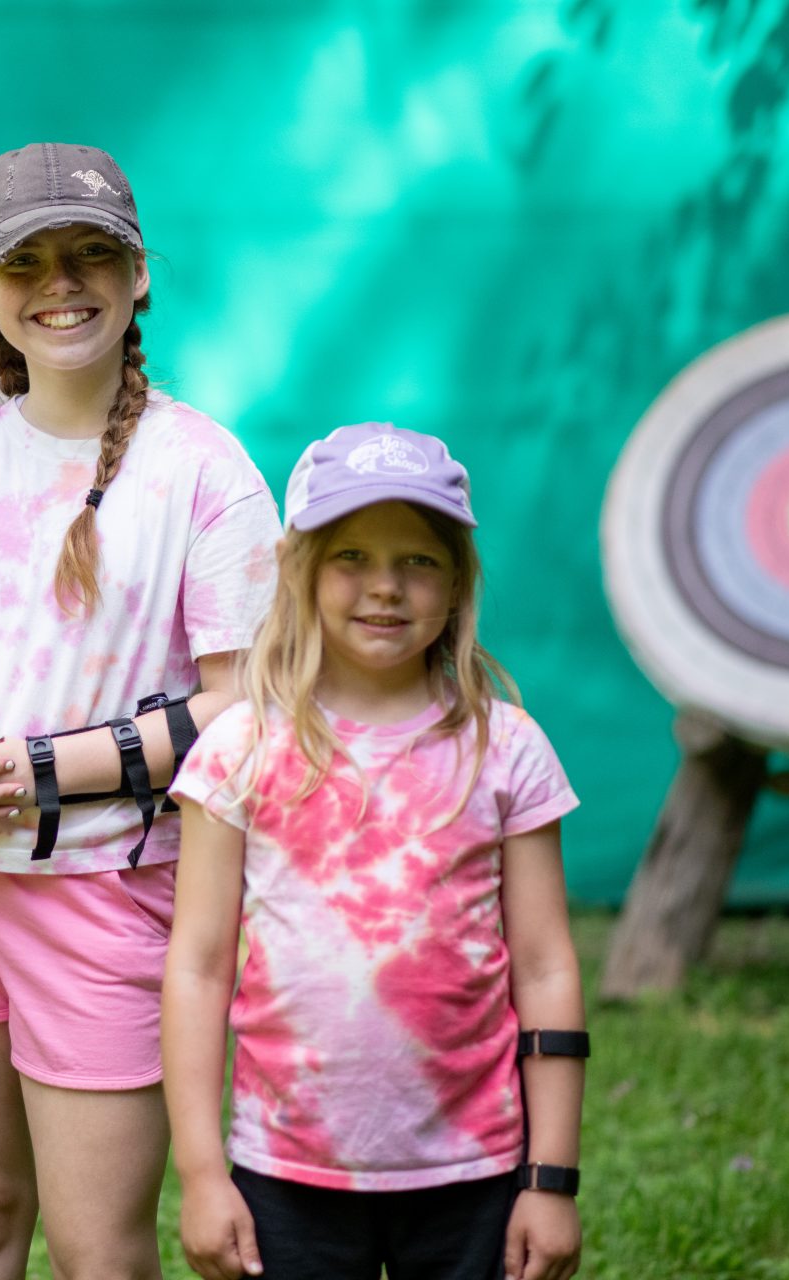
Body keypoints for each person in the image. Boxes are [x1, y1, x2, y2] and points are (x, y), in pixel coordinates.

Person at [0, 143, 283, 1279]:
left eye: (91, 254)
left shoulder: (207, 470)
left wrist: (43, 772)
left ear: (140, 277)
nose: (60, 282)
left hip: (106, 887)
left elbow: (241, 711)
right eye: (24, 261)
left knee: (96, 1248)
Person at [161, 422, 587, 1280]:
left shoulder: (507, 747)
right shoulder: (240, 747)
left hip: (476, 1175)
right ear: (299, 571)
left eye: (419, 561)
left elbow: (545, 968)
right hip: (284, 1175)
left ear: (459, 580)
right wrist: (204, 1175)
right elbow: (199, 969)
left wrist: (551, 1180)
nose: (385, 588)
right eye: (351, 556)